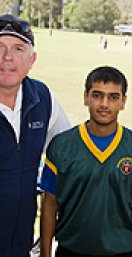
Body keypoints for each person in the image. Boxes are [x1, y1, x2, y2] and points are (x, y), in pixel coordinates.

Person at [40, 66, 132, 257]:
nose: (104, 104)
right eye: (97, 95)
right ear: (86, 97)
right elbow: (49, 203)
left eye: (113, 97)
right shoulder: (62, 146)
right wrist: (45, 253)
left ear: (123, 101)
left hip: (122, 250)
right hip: (72, 249)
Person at [0, 14, 71, 257]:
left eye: (18, 48)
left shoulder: (42, 98)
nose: (7, 57)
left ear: (32, 60)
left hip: (20, 243)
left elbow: (69, 154)